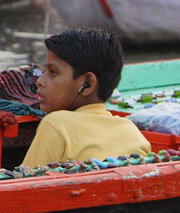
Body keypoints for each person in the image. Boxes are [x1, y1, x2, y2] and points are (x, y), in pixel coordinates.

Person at [21, 28, 150, 168]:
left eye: (53, 72)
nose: (40, 80)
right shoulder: (132, 132)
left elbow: (25, 183)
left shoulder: (56, 124)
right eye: (44, 71)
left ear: (87, 84)